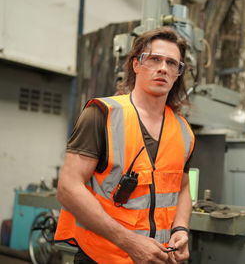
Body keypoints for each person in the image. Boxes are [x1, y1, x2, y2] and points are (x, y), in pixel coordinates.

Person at [54, 27, 195, 264]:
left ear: (178, 73)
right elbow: (68, 188)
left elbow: (182, 187)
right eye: (154, 59)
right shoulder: (102, 114)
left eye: (172, 63)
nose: (163, 68)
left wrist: (180, 229)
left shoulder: (183, 131)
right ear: (136, 64)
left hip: (158, 257)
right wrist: (129, 242)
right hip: (102, 257)